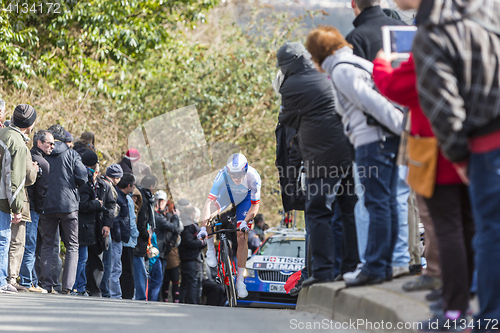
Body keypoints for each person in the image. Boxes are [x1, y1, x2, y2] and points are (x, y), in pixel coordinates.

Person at [412, 0, 500, 329]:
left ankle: (485, 317)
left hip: (481, 146)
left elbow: (445, 109)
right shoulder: (491, 13)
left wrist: (460, 155)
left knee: (486, 231)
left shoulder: (434, 33)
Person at [305, 27, 404, 287]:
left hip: (372, 141)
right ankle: (382, 265)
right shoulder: (357, 62)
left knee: (377, 204)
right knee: (387, 202)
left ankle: (374, 266)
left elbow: (372, 102)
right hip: (384, 140)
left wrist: (402, 127)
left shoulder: (341, 70)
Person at [276, 41, 359, 288]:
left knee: (318, 211)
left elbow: (286, 118)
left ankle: (323, 270)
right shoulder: (326, 75)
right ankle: (349, 267)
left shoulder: (291, 85)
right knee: (347, 210)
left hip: (321, 157)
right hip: (349, 151)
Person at [198, 153, 261, 298]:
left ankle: (240, 281)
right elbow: (208, 203)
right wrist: (202, 228)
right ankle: (210, 251)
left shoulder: (254, 177)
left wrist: (245, 222)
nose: (236, 178)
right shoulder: (222, 175)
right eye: (233, 175)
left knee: (241, 236)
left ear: (245, 170)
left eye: (239, 174)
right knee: (209, 214)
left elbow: (255, 206)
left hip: (245, 200)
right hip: (227, 195)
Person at [39, 124, 87, 294]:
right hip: (69, 206)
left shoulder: (44, 152)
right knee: (72, 245)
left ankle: (46, 284)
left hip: (47, 205)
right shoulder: (72, 154)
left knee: (47, 245)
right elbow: (83, 176)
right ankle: (67, 286)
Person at [0, 104, 37, 293]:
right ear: (30, 125)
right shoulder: (18, 143)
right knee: (7, 239)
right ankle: (5, 279)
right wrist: (16, 208)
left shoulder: (3, 133)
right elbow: (18, 178)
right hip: (7, 199)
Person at [74, 150, 116, 297]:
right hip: (84, 227)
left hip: (99, 228)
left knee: (98, 261)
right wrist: (96, 204)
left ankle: (95, 290)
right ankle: (80, 287)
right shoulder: (82, 184)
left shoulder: (104, 186)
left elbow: (111, 206)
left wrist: (107, 224)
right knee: (83, 259)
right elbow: (81, 205)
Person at [21, 130, 54, 292]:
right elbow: (41, 192)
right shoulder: (44, 164)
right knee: (30, 245)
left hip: (22, 205)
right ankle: (27, 281)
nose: (52, 147)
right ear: (39, 143)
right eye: (50, 143)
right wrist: (40, 210)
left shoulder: (29, 156)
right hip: (33, 209)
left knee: (21, 243)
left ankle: (27, 279)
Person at [7, 137, 38, 292]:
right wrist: (34, 168)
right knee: (17, 241)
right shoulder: (22, 149)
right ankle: (11, 278)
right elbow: (28, 177)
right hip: (18, 200)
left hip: (3, 198)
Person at [109, 173, 135, 299]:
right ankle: (115, 295)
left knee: (118, 268)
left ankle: (117, 294)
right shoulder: (119, 197)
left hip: (123, 237)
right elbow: (117, 218)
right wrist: (120, 235)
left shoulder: (124, 197)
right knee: (116, 268)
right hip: (118, 237)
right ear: (129, 185)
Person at [99, 164, 123, 297]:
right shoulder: (110, 188)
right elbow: (111, 209)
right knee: (107, 262)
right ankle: (105, 291)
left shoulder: (100, 183)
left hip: (97, 225)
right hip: (105, 227)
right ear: (116, 177)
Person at [154, 191, 181, 302]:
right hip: (156, 250)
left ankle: (160, 299)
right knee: (158, 278)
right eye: (158, 200)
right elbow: (174, 227)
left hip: (166, 251)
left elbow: (177, 230)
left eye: (162, 201)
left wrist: (171, 243)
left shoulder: (169, 216)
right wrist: (176, 218)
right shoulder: (155, 215)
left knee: (164, 277)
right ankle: (156, 299)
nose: (160, 203)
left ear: (166, 202)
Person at [134, 174, 157, 300]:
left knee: (143, 269)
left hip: (141, 237)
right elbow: (142, 219)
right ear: (152, 186)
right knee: (140, 270)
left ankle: (141, 295)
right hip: (140, 238)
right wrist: (145, 234)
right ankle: (140, 296)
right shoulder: (144, 198)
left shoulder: (143, 195)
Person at [180, 206, 206, 304]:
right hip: (190, 257)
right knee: (191, 281)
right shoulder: (189, 226)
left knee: (186, 283)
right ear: (192, 214)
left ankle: (182, 301)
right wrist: (201, 243)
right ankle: (191, 302)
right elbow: (188, 241)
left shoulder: (187, 224)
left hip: (188, 257)